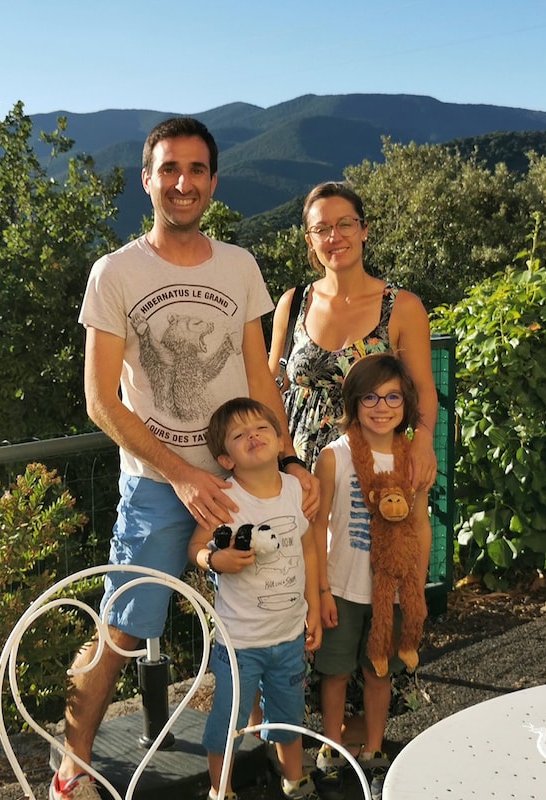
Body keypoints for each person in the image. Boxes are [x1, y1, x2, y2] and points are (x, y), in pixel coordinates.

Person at [54, 117, 316, 800]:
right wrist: (182, 473)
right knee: (121, 630)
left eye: (196, 170)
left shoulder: (239, 266)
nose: (182, 182)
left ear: (213, 182)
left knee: (264, 618)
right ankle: (70, 770)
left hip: (245, 478)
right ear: (147, 179)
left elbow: (260, 379)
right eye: (169, 168)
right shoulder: (115, 271)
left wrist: (287, 464)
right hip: (157, 487)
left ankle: (259, 761)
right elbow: (100, 402)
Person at [187, 397, 322, 800]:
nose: (253, 437)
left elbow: (310, 548)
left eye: (261, 429)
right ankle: (221, 790)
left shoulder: (298, 488)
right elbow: (195, 547)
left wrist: (313, 606)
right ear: (225, 459)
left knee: (290, 717)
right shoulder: (224, 498)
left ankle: (294, 780)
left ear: (281, 441)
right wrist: (215, 558)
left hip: (289, 636)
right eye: (239, 435)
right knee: (229, 720)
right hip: (238, 644)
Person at [310, 353, 431, 800]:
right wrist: (320, 589)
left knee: (380, 672)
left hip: (394, 591)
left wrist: (415, 586)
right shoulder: (335, 457)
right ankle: (331, 749)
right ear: (354, 402)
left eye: (392, 396)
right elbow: (317, 526)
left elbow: (419, 525)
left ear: (406, 402)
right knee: (336, 672)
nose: (382, 407)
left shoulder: (413, 458)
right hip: (342, 587)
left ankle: (375, 750)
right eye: (370, 397)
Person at [267, 181, 438, 487]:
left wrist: (423, 442)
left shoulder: (403, 307)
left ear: (364, 230)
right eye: (322, 229)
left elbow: (423, 388)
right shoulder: (292, 304)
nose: (335, 237)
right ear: (310, 240)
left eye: (345, 224)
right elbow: (270, 388)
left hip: (373, 469)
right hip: (295, 473)